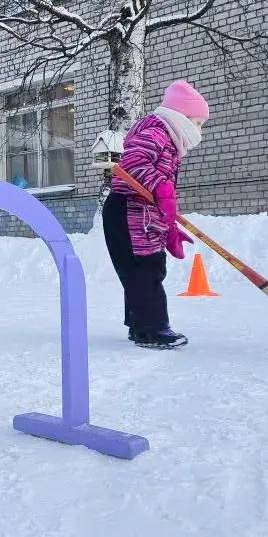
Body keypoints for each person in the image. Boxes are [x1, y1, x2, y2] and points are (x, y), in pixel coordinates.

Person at [103, 80, 209, 350]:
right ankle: (152, 329)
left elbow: (157, 195)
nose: (200, 131)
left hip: (140, 214)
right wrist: (162, 188)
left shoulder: (166, 138)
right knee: (144, 269)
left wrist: (170, 228)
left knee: (147, 267)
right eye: (198, 123)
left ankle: (140, 326)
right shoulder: (157, 132)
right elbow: (133, 162)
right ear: (182, 118)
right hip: (128, 210)